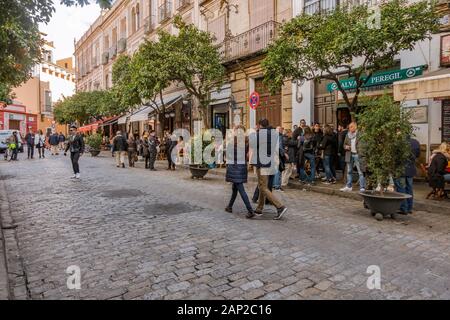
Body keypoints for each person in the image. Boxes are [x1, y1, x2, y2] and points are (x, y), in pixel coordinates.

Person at [252, 118, 288, 220]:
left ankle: (280, 206)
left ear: (260, 125)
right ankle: (259, 208)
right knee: (262, 185)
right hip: (269, 162)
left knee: (263, 187)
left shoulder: (261, 134)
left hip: (262, 162)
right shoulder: (273, 134)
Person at [225, 125, 254, 218]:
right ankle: (229, 206)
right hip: (242, 167)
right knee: (235, 189)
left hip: (234, 168)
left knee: (241, 190)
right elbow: (248, 154)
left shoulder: (232, 142)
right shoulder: (246, 141)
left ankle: (250, 210)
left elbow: (228, 155)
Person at [394, 136, 420, 214]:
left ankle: (403, 208)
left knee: (401, 189)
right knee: (409, 188)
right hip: (411, 169)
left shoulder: (399, 142)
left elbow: (395, 156)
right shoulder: (415, 142)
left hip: (401, 169)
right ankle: (409, 208)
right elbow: (418, 155)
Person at [340, 122, 366, 192]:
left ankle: (362, 187)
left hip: (357, 154)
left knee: (360, 171)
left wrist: (361, 153)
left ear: (355, 127)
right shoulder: (348, 135)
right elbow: (344, 144)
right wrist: (346, 147)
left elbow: (363, 145)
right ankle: (349, 186)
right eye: (349, 127)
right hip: (349, 154)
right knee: (349, 171)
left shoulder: (360, 134)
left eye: (351, 127)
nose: (350, 128)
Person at [273, 126, 286, 191]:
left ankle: (274, 184)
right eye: (281, 129)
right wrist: (284, 154)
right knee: (278, 171)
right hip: (277, 155)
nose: (282, 131)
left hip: (273, 155)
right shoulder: (279, 136)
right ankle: (277, 185)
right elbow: (280, 147)